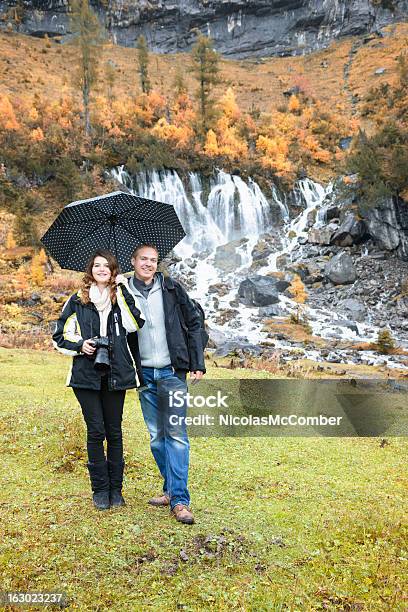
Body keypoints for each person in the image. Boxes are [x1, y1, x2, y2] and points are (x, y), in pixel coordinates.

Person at [52, 249, 144, 510]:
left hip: (116, 372)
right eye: (97, 265)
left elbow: (135, 323)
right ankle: (100, 490)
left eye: (107, 266)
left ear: (114, 270)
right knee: (96, 431)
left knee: (114, 432)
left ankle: (116, 490)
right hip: (85, 375)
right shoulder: (77, 300)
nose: (102, 269)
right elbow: (59, 335)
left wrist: (123, 289)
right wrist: (81, 345)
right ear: (90, 270)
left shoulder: (121, 298)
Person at [127, 243, 205, 525]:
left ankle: (180, 500)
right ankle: (170, 490)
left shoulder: (172, 288)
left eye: (153, 260)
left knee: (176, 436)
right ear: (133, 261)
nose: (148, 263)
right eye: (143, 259)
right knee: (156, 437)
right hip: (144, 374)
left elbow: (195, 323)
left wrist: (197, 363)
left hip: (172, 372)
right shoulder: (123, 292)